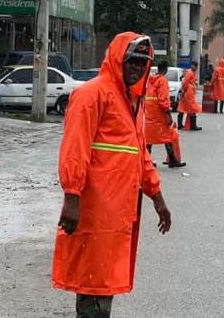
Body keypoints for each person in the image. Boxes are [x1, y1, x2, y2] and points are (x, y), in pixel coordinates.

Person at [52, 32, 172, 318]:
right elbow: (74, 148)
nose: (136, 68)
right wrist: (72, 196)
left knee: (104, 279)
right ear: (118, 58)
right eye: (132, 61)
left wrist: (157, 196)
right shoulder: (92, 95)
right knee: (93, 280)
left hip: (118, 212)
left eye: (143, 63)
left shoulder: (132, 101)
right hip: (95, 210)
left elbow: (139, 153)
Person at [145, 60, 185, 168]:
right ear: (165, 69)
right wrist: (168, 114)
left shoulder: (150, 80)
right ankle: (172, 160)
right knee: (167, 135)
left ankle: (146, 160)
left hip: (149, 112)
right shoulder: (162, 81)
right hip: (159, 113)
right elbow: (163, 100)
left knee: (148, 138)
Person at [178, 61, 202, 131]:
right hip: (188, 93)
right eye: (194, 66)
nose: (194, 67)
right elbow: (185, 83)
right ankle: (193, 125)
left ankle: (180, 124)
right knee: (192, 108)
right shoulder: (190, 73)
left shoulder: (191, 73)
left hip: (188, 92)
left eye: (195, 66)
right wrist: (184, 91)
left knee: (182, 108)